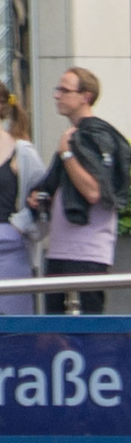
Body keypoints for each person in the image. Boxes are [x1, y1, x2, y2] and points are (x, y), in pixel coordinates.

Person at [25, 68, 131, 315]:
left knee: (86, 334)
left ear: (85, 96)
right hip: (61, 248)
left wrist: (67, 154)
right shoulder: (74, 135)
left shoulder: (93, 135)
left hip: (86, 251)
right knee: (56, 334)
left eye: (64, 90)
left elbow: (95, 192)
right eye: (57, 89)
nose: (57, 95)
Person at [1, 107, 48, 316]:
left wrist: (19, 225)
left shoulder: (22, 152)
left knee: (13, 327)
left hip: (8, 250)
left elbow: (42, 195)